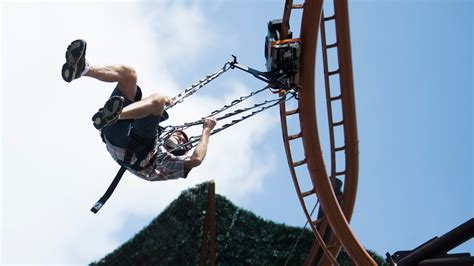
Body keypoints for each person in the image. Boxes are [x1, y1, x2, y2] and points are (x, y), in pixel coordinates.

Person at [61, 39, 216, 181]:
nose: (177, 137)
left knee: (158, 100)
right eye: (179, 135)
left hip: (131, 149)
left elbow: (196, 159)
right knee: (129, 74)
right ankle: (82, 70)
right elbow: (146, 110)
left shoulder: (167, 162)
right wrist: (157, 104)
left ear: (180, 149)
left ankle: (115, 115)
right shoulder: (158, 134)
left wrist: (207, 129)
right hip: (116, 128)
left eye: (181, 140)